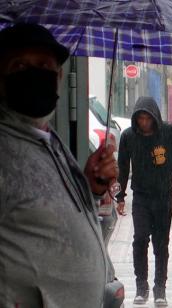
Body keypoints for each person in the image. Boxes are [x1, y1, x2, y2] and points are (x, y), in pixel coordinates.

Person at [0, 23, 119, 306]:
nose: (33, 73)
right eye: (19, 66)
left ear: (59, 76)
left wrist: (91, 186)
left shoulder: (50, 140)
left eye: (43, 65)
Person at [116, 96, 172, 306]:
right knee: (140, 239)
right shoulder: (128, 137)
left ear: (154, 117)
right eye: (140, 118)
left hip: (164, 196)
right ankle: (141, 286)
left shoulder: (169, 132)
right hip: (140, 196)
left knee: (161, 243)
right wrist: (120, 196)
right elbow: (123, 168)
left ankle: (160, 288)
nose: (144, 122)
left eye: (147, 118)